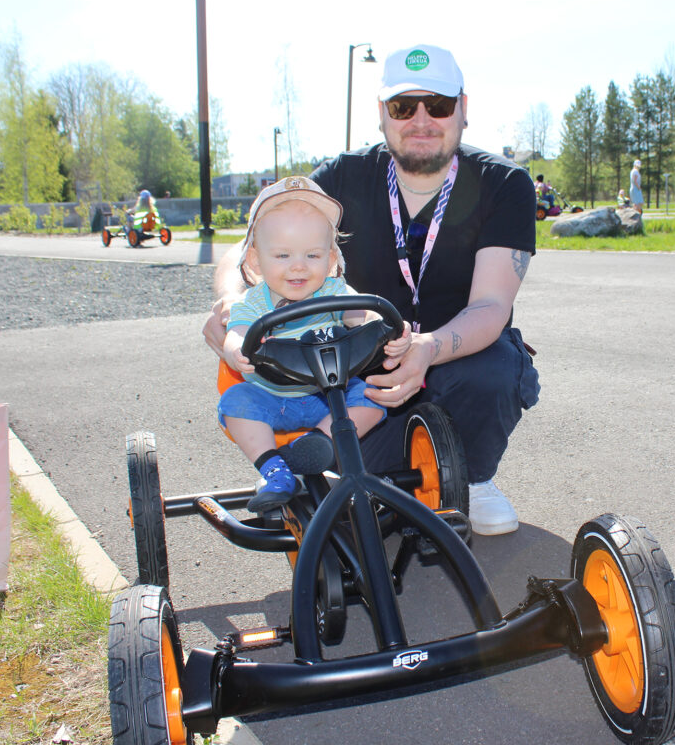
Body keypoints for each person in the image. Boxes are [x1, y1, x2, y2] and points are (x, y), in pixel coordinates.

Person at [205, 44, 539, 535]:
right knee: (360, 478)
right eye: (404, 107)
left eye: (438, 105)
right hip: (361, 362)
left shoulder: (504, 183)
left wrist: (426, 348)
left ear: (463, 110)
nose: (421, 119)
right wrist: (231, 299)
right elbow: (248, 248)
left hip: (452, 353)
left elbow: (491, 304)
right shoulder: (342, 176)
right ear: (382, 114)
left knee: (496, 370)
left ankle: (474, 478)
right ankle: (376, 476)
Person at [217, 176, 411, 514]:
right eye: (282, 255)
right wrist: (235, 348)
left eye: (312, 254)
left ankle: (318, 444)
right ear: (255, 260)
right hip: (273, 397)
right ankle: (274, 469)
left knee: (372, 397)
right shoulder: (252, 303)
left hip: (329, 398)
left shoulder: (335, 292)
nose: (298, 265)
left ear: (331, 257)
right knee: (235, 402)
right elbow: (237, 331)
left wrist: (389, 331)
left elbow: (361, 316)